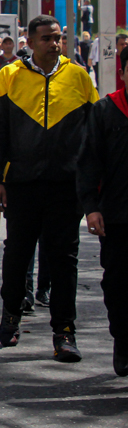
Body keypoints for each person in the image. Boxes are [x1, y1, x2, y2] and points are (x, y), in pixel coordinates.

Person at [0, 15, 98, 361]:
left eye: (58, 38)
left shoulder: (78, 76)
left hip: (66, 186)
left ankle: (64, 331)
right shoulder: (9, 76)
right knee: (18, 254)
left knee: (64, 259)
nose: (54, 44)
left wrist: (92, 183)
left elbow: (94, 134)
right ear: (30, 42)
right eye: (47, 38)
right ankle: (11, 313)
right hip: (21, 183)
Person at [77, 44, 128, 377]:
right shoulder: (105, 110)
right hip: (118, 216)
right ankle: (123, 340)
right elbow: (89, 163)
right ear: (123, 73)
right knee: (120, 284)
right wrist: (91, 208)